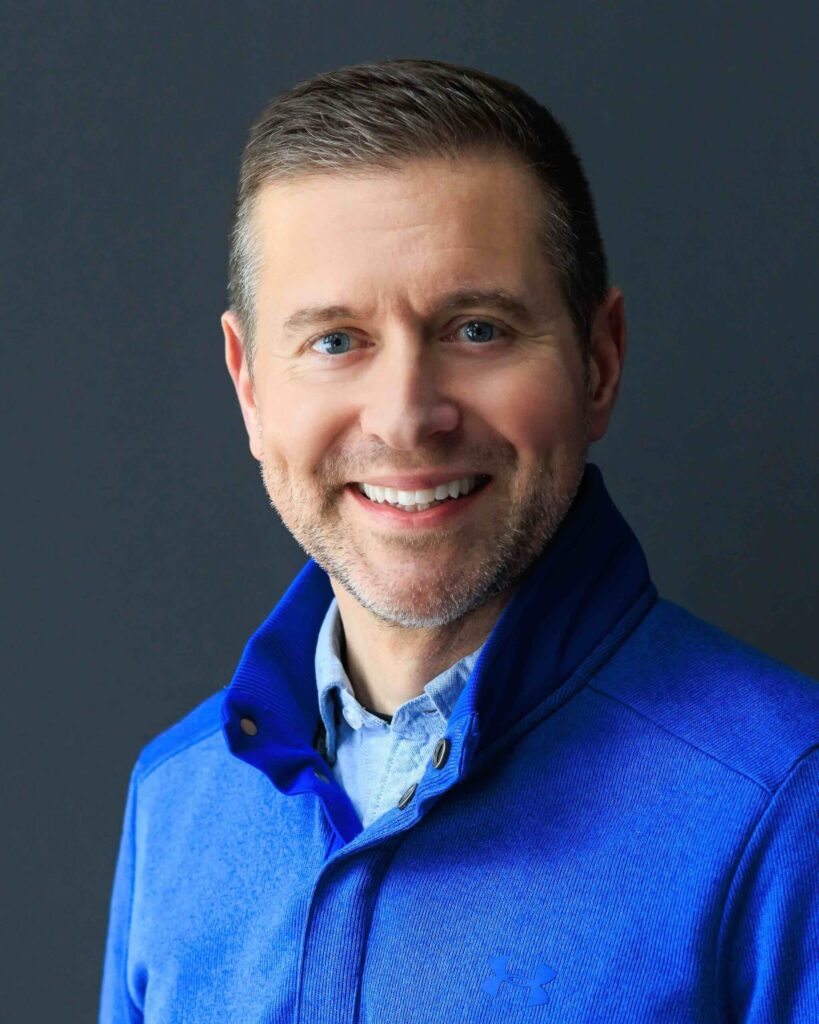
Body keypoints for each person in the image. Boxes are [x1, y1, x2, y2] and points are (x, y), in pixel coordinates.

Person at [98, 58, 818, 1023]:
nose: (404, 419)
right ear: (250, 387)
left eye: (476, 329)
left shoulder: (784, 805)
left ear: (598, 361)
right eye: (335, 341)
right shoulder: (178, 799)